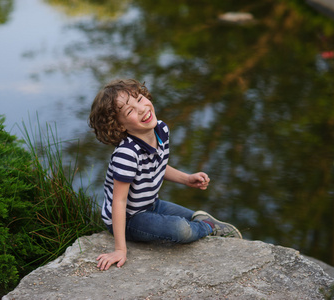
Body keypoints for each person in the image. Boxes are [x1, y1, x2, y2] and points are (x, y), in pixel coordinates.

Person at [88, 79, 242, 271]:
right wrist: (120, 249)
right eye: (130, 111)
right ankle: (208, 228)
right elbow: (118, 202)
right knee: (181, 230)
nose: (142, 109)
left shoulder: (161, 130)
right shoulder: (126, 154)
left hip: (152, 204)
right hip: (130, 218)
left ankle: (201, 220)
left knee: (189, 218)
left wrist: (186, 178)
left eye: (140, 98)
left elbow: (157, 166)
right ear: (119, 126)